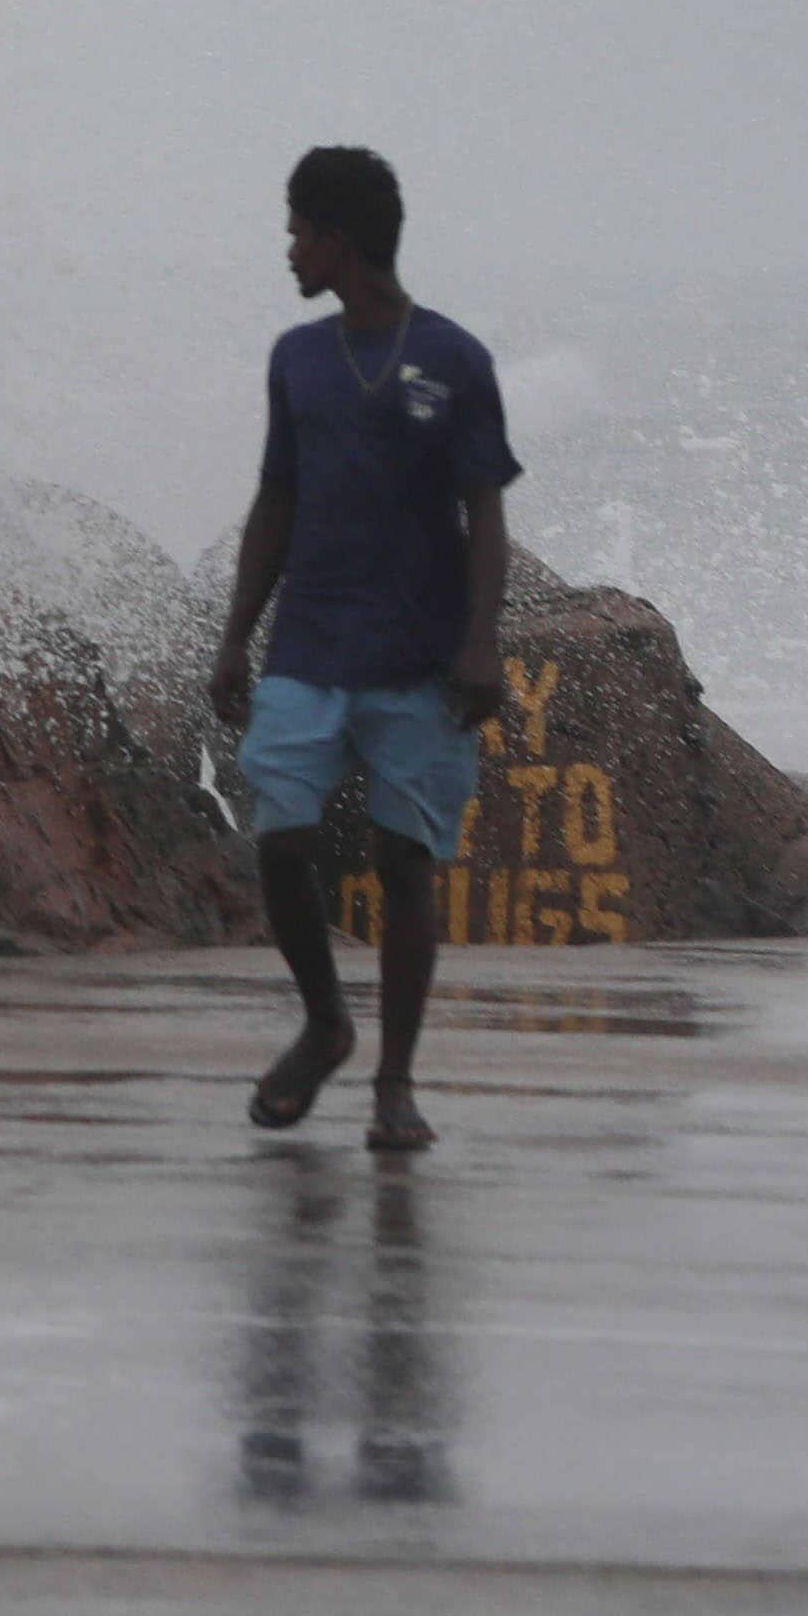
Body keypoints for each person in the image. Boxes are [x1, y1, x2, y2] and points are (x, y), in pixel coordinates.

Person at [204, 143, 516, 1154]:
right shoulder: (296, 359)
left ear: (337, 239)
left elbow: (485, 514)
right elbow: (276, 501)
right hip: (311, 645)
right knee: (283, 838)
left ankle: (395, 1081)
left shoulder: (455, 360)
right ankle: (326, 1022)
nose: (289, 249)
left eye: (297, 230)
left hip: (418, 656)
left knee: (405, 860)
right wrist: (234, 636)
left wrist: (479, 646)